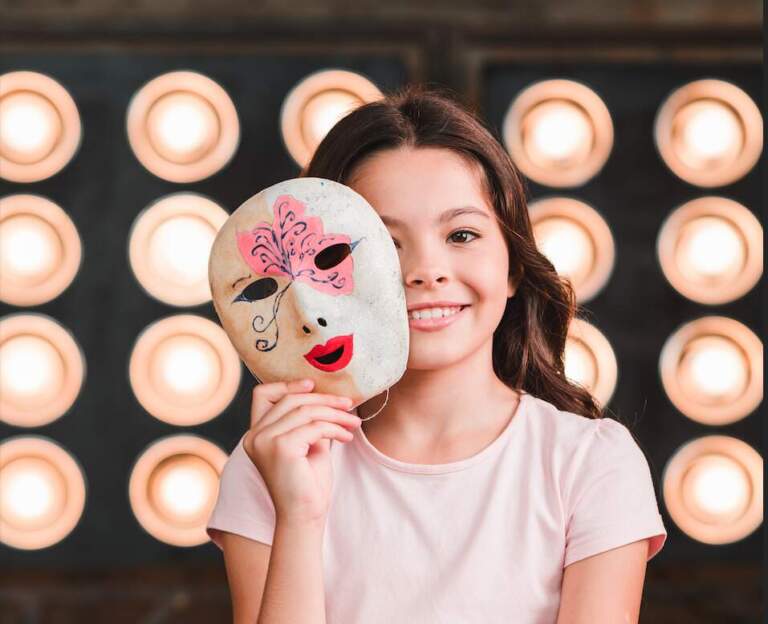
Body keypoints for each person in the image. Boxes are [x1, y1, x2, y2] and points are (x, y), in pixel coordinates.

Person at [206, 84, 667, 624]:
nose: (426, 270)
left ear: (514, 264)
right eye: (384, 243)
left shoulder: (590, 464)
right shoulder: (274, 463)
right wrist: (300, 516)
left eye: (463, 234)